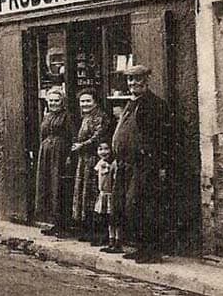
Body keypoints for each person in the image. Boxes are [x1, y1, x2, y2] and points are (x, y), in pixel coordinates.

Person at [111, 64, 174, 264]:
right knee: (130, 207)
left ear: (146, 80)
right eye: (130, 79)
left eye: (138, 79)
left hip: (145, 164)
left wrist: (153, 159)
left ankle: (152, 251)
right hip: (127, 164)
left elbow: (163, 137)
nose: (133, 83)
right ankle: (140, 247)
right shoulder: (131, 103)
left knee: (145, 207)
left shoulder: (155, 104)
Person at [70, 89, 112, 242]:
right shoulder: (86, 116)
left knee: (96, 194)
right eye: (82, 101)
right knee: (85, 194)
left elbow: (98, 137)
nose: (85, 104)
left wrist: (82, 145)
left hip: (95, 159)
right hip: (85, 160)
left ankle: (100, 233)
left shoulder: (100, 117)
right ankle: (89, 230)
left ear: (95, 102)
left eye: (88, 101)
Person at [36, 88, 73, 236]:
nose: (53, 103)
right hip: (46, 154)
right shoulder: (47, 116)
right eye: (51, 100)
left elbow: (72, 137)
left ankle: (64, 225)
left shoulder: (67, 117)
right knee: (48, 185)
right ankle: (54, 222)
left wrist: (69, 156)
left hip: (60, 154)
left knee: (59, 186)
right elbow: (43, 134)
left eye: (56, 100)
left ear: (62, 102)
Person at [95, 142, 121, 251]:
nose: (103, 152)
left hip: (112, 195)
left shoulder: (114, 164)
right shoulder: (100, 163)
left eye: (106, 149)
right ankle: (110, 240)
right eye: (100, 149)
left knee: (115, 219)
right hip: (103, 194)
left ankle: (118, 241)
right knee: (107, 219)